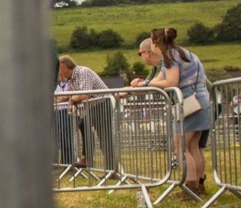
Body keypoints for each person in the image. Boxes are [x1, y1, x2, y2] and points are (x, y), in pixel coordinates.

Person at [131, 28, 210, 196]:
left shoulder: (171, 58)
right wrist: (145, 84)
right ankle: (198, 185)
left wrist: (148, 84)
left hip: (188, 104)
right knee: (193, 146)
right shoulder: (181, 53)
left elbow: (170, 82)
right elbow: (158, 79)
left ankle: (191, 187)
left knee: (179, 147)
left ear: (155, 43)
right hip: (200, 102)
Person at [55, 55, 112, 170]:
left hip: (103, 104)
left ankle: (107, 166)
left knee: (104, 137)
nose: (59, 73)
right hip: (93, 107)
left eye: (59, 70)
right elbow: (72, 95)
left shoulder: (83, 72)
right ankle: (88, 159)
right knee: (84, 124)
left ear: (64, 67)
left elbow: (84, 94)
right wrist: (64, 99)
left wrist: (72, 99)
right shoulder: (71, 79)